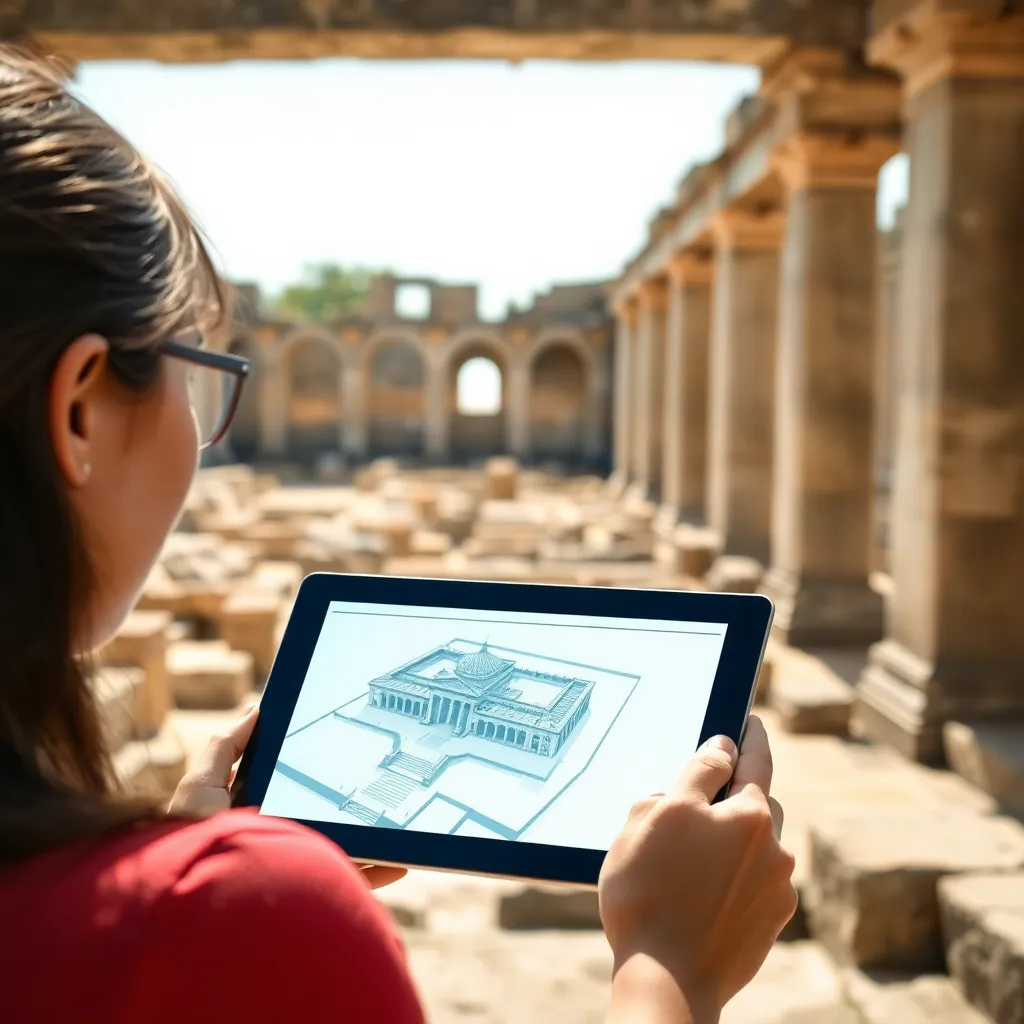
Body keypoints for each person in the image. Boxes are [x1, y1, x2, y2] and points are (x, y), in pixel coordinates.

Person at [0, 45, 797, 1023]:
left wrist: (184, 856)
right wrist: (671, 966)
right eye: (198, 374)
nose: (205, 428)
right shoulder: (244, 923)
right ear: (82, 408)